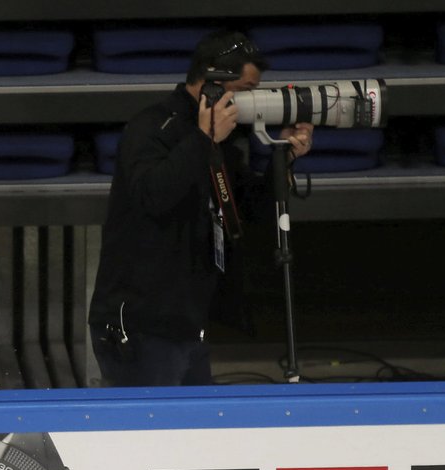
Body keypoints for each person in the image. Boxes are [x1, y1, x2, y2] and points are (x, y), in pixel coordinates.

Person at [88, 30, 313, 387]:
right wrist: (203, 139)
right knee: (148, 437)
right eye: (244, 91)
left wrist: (283, 157)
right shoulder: (151, 127)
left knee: (191, 437)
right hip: (140, 323)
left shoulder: (224, 137)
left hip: (189, 321)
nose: (249, 102)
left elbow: (246, 209)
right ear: (211, 82)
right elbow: (153, 195)